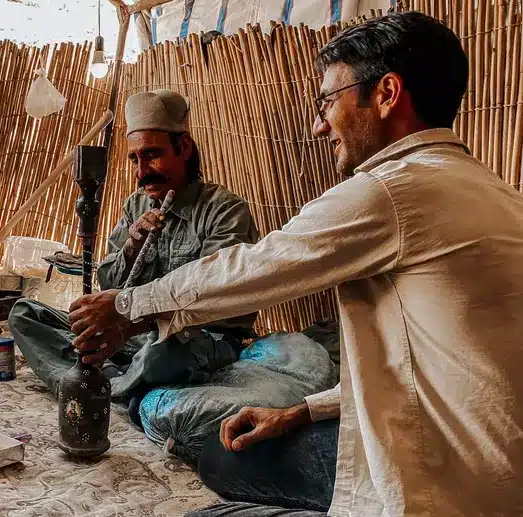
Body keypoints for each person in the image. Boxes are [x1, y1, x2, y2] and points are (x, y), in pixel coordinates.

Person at [67, 12, 523, 517]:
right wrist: (303, 411)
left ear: (387, 94)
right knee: (230, 448)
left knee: (215, 486)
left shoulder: (389, 191)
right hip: (498, 472)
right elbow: (428, 368)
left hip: (442, 490)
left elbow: (251, 269)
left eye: (328, 101)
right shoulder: (499, 194)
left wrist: (127, 305)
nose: (318, 123)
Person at [8, 89, 260, 407]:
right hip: (130, 337)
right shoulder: (136, 204)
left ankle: (101, 382)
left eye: (152, 154)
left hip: (195, 339)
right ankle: (119, 380)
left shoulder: (224, 210)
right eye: (135, 159)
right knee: (26, 313)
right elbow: (109, 285)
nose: (141, 172)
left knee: (161, 350)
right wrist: (131, 246)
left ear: (183, 148)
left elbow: (214, 296)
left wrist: (132, 323)